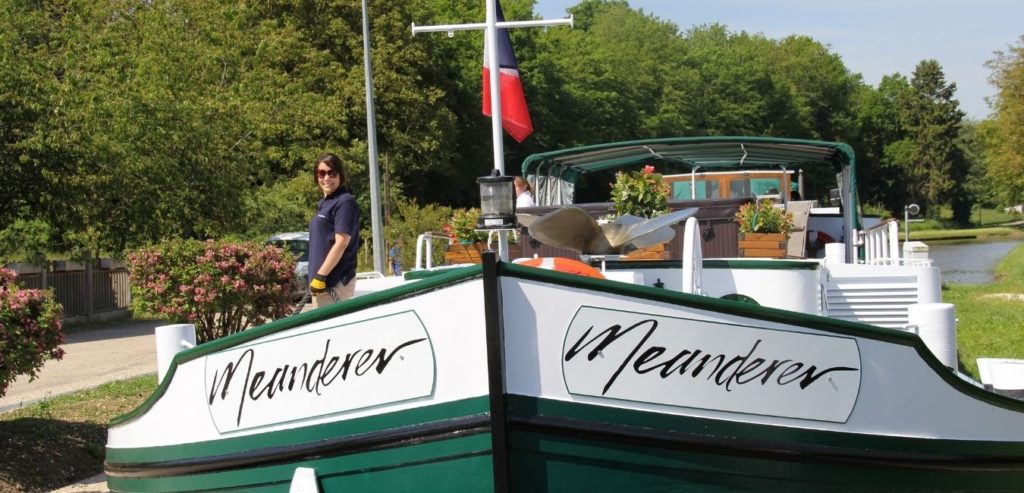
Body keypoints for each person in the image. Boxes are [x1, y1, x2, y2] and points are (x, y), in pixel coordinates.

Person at [308, 153, 361, 308]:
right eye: (321, 173)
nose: (326, 178)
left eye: (332, 173)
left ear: (340, 175)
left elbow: (342, 242)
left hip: (334, 282)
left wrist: (321, 275)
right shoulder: (325, 203)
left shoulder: (345, 202)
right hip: (321, 285)